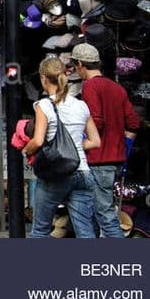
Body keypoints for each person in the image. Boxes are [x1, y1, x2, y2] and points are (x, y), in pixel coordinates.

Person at [23, 56, 101, 238]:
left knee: (40, 230)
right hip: (83, 171)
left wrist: (26, 149)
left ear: (43, 78)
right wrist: (73, 148)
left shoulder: (44, 105)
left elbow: (38, 140)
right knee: (86, 232)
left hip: (57, 174)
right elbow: (95, 141)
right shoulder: (81, 105)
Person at [71, 42, 139, 238]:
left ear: (81, 65)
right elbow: (133, 123)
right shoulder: (116, 87)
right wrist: (123, 149)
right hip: (114, 160)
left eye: (76, 66)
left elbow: (97, 121)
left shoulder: (90, 86)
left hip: (97, 159)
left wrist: (80, 140)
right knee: (99, 212)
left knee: (102, 214)